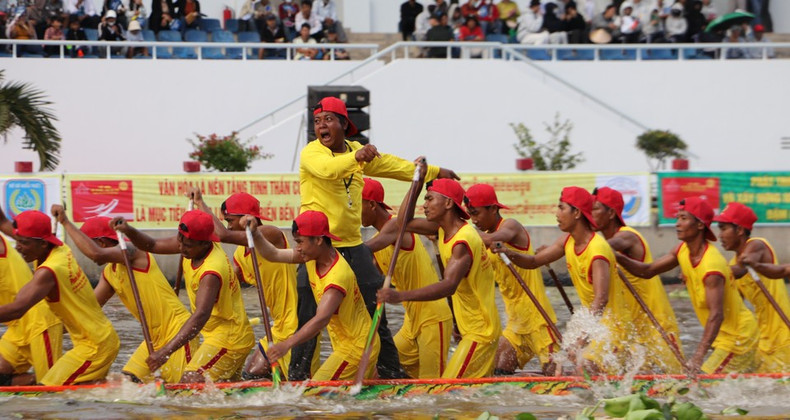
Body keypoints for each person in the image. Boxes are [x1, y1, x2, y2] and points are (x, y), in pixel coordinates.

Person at [292, 96, 458, 380]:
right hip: (319, 248)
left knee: (376, 311)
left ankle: (390, 374)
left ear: (344, 124)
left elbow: (392, 166)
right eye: (317, 122)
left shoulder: (357, 151)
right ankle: (297, 378)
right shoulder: (312, 153)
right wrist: (357, 157)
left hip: (353, 246)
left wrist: (431, 172)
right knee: (309, 316)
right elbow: (328, 170)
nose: (321, 126)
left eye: (328, 120)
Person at [492, 186, 634, 375]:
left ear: (576, 213)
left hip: (614, 330)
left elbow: (601, 299)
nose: (557, 214)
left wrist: (582, 338)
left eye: (561, 208)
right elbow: (534, 262)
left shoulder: (597, 250)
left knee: (582, 370)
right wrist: (508, 252)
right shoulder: (567, 240)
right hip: (594, 325)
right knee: (558, 369)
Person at [52, 209, 197, 383]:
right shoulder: (109, 273)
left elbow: (96, 255)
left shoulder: (134, 253)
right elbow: (88, 310)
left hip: (178, 332)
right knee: (124, 386)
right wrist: (54, 330)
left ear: (102, 242)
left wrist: (65, 222)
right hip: (153, 339)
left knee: (183, 395)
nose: (84, 251)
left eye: (87, 243)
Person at [617, 197, 759, 374]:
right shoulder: (682, 249)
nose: (677, 224)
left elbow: (716, 315)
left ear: (700, 225)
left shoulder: (711, 265)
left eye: (683, 218)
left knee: (698, 385)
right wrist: (618, 257)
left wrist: (698, 357)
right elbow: (648, 270)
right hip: (724, 337)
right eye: (677, 218)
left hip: (739, 337)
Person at [378, 174, 501, 379]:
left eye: (429, 199)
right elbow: (402, 221)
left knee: (445, 391)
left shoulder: (463, 240)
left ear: (447, 203)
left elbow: (448, 286)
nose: (424, 205)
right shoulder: (443, 229)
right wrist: (416, 182)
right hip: (469, 330)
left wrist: (400, 296)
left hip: (481, 333)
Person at [114, 210, 255, 383]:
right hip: (215, 336)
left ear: (205, 243)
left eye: (187, 245)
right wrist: (128, 230)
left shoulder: (211, 272)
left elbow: (200, 316)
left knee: (190, 381)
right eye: (180, 241)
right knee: (219, 389)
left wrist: (166, 351)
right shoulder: (190, 244)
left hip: (230, 340)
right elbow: (151, 244)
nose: (181, 248)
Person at [246, 210, 380, 381]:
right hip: (349, 343)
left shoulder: (337, 277)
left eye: (300, 242)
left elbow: (321, 320)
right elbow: (273, 254)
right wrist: (256, 233)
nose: (298, 248)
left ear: (318, 240)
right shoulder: (310, 257)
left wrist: (287, 344)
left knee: (313, 396)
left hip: (357, 348)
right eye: (296, 242)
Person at [190, 189, 308, 380]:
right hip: (279, 324)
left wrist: (201, 204)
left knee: (261, 374)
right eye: (226, 221)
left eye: (230, 220)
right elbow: (229, 283)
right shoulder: (240, 254)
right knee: (256, 375)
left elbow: (223, 235)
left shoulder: (270, 234)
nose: (228, 226)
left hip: (294, 322)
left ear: (247, 218)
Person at [0, 209, 119, 385]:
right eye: (17, 241)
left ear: (42, 243)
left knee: (48, 396)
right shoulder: (57, 247)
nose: (18, 248)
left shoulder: (49, 271)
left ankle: (122, 386)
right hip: (88, 340)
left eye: (23, 243)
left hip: (95, 346)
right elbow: (4, 223)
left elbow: (18, 308)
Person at [361, 178, 453, 379]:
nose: (352, 212)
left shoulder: (395, 226)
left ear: (371, 204)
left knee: (432, 388)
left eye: (355, 204)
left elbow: (363, 251)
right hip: (411, 322)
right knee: (378, 372)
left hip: (432, 318)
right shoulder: (380, 239)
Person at [464, 183, 558, 376]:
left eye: (476, 213)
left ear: (493, 208)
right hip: (515, 323)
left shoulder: (510, 225)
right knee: (497, 371)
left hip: (538, 319)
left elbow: (499, 237)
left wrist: (458, 229)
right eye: (469, 215)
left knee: (555, 375)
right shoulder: (485, 237)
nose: (474, 220)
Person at [591, 187, 684, 374]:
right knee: (596, 368)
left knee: (676, 382)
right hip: (629, 330)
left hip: (656, 327)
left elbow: (606, 247)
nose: (590, 213)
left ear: (610, 213)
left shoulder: (627, 236)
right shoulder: (600, 246)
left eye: (595, 208)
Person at [715, 202, 790, 372]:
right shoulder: (731, 264)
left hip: (783, 338)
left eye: (723, 229)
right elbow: (735, 309)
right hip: (763, 342)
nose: (720, 235)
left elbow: (742, 267)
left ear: (739, 230)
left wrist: (709, 272)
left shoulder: (757, 244)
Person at [0, 213, 63, 386]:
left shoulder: (20, 242)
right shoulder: (24, 241)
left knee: (51, 391)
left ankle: (79, 382)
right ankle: (32, 383)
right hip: (17, 325)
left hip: (40, 323)